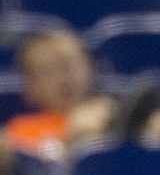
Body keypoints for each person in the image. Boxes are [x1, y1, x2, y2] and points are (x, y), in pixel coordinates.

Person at [2, 30, 115, 163]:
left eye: (67, 65)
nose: (63, 78)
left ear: (89, 66)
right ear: (30, 88)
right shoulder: (17, 134)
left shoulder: (115, 118)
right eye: (48, 71)